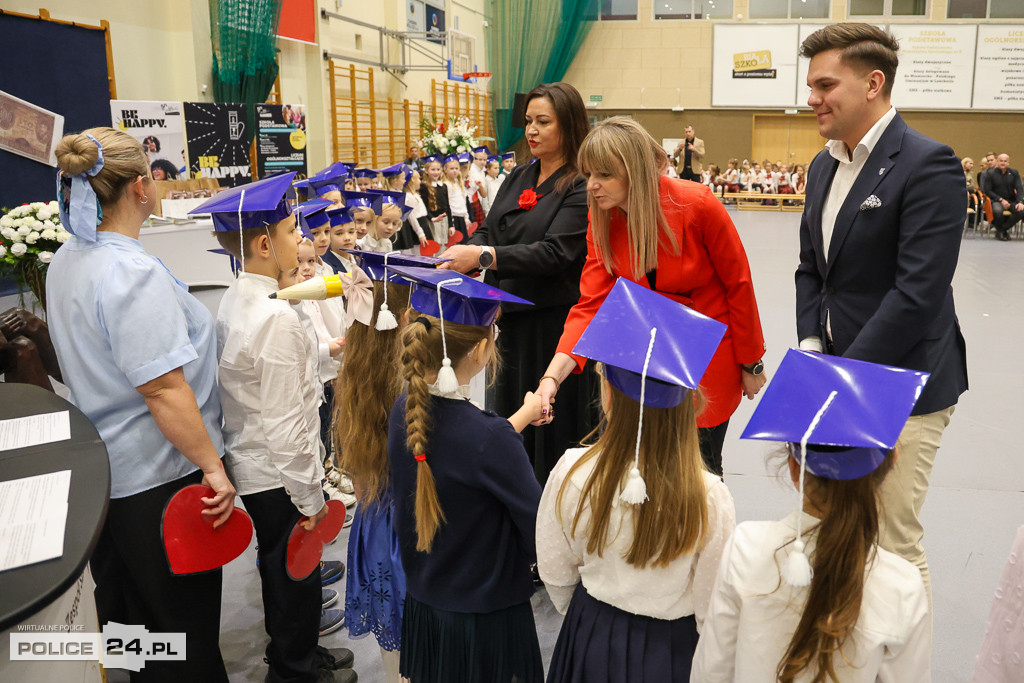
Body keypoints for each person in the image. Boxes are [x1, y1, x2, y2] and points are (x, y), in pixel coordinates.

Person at [47, 127, 234, 680]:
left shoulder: (67, 259)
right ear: (141, 187)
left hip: (107, 476)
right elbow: (162, 388)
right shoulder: (130, 272)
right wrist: (213, 468)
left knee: (134, 626)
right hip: (160, 478)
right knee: (183, 631)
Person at [796, 23, 969, 605]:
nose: (812, 97)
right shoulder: (823, 166)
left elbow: (917, 294)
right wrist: (813, 349)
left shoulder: (928, 165)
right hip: (836, 375)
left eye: (825, 84)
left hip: (903, 382)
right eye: (811, 84)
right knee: (826, 528)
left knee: (891, 544)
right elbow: (810, 272)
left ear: (873, 83)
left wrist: (841, 381)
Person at [190, 173, 355, 683]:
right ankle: (294, 669)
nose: (301, 239)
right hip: (279, 471)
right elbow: (287, 423)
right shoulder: (274, 316)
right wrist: (310, 499)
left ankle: (301, 651)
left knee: (286, 573)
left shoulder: (241, 294)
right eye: (291, 230)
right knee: (293, 576)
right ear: (265, 244)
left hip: (257, 463)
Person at [538, 116, 766, 477]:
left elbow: (738, 284)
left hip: (705, 360)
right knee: (639, 470)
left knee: (701, 472)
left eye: (604, 175)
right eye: (588, 175)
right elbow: (591, 302)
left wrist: (751, 363)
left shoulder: (699, 205)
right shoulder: (602, 218)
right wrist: (550, 379)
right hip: (639, 361)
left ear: (637, 171)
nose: (592, 186)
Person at [538, 280, 736, 682]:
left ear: (607, 395)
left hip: (590, 634)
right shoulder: (710, 496)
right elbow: (711, 603)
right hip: (672, 651)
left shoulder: (574, 471)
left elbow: (556, 574)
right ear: (689, 405)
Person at [692, 349, 932, 682]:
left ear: (793, 468)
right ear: (888, 468)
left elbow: (711, 672)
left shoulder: (745, 549)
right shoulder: (901, 587)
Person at [386, 267, 545, 683]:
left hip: (427, 601)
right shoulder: (489, 439)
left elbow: (465, 455)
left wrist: (521, 417)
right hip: (487, 617)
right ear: (479, 350)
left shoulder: (405, 411)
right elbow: (540, 532)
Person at [439, 82, 597, 484]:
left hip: (555, 326)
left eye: (543, 122)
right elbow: (488, 229)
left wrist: (484, 258)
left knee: (553, 426)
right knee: (511, 417)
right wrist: (461, 258)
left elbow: (555, 253)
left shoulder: (580, 184)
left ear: (570, 125)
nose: (532, 130)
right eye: (528, 121)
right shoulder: (519, 175)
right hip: (509, 320)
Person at [333, 250, 445, 683]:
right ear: (406, 319)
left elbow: (360, 485)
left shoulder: (352, 382)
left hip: (377, 524)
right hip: (421, 521)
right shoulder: (421, 387)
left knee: (396, 652)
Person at [980, 153, 1024, 241]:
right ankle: (1002, 232)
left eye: (1005, 161)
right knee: (997, 211)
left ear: (1008, 162)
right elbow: (987, 191)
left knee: (1021, 211)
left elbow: (1019, 188)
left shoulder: (1014, 173)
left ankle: (1001, 230)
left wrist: (1020, 202)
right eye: (1001, 161)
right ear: (997, 161)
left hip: (1011, 200)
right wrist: (1001, 200)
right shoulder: (990, 173)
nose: (1003, 163)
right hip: (996, 200)